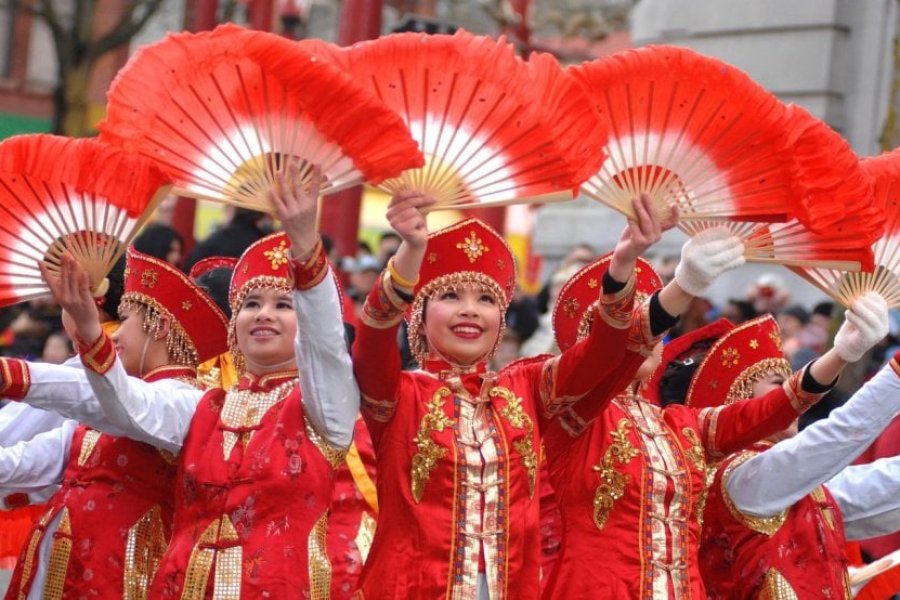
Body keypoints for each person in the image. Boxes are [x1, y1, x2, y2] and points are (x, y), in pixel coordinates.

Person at [28, 164, 358, 597]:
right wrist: (91, 332)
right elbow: (127, 404)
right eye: (251, 303)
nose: (263, 313)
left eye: (283, 304)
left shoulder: (324, 411)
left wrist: (303, 244)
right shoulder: (205, 405)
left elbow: (326, 345)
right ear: (233, 322)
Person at [351, 192, 672, 598]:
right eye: (451, 296)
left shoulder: (525, 389)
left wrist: (623, 264)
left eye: (486, 299)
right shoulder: (398, 394)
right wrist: (410, 252)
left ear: (501, 320)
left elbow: (604, 353)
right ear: (419, 315)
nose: (470, 310)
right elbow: (371, 339)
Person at [540, 230, 834, 599]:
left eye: (652, 325)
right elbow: (606, 353)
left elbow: (764, 412)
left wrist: (842, 353)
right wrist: (680, 281)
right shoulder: (568, 411)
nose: (642, 334)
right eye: (628, 323)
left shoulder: (678, 424)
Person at [0, 247, 228, 599]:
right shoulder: (115, 396)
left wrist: (86, 332)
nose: (116, 334)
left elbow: (127, 405)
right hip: (60, 563)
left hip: (122, 574)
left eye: (126, 320)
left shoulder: (188, 402)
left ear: (161, 327)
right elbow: (37, 462)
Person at [660, 294, 888, 598]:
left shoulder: (785, 478)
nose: (794, 394)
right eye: (777, 384)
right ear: (737, 402)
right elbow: (837, 436)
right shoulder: (735, 476)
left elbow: (876, 489)